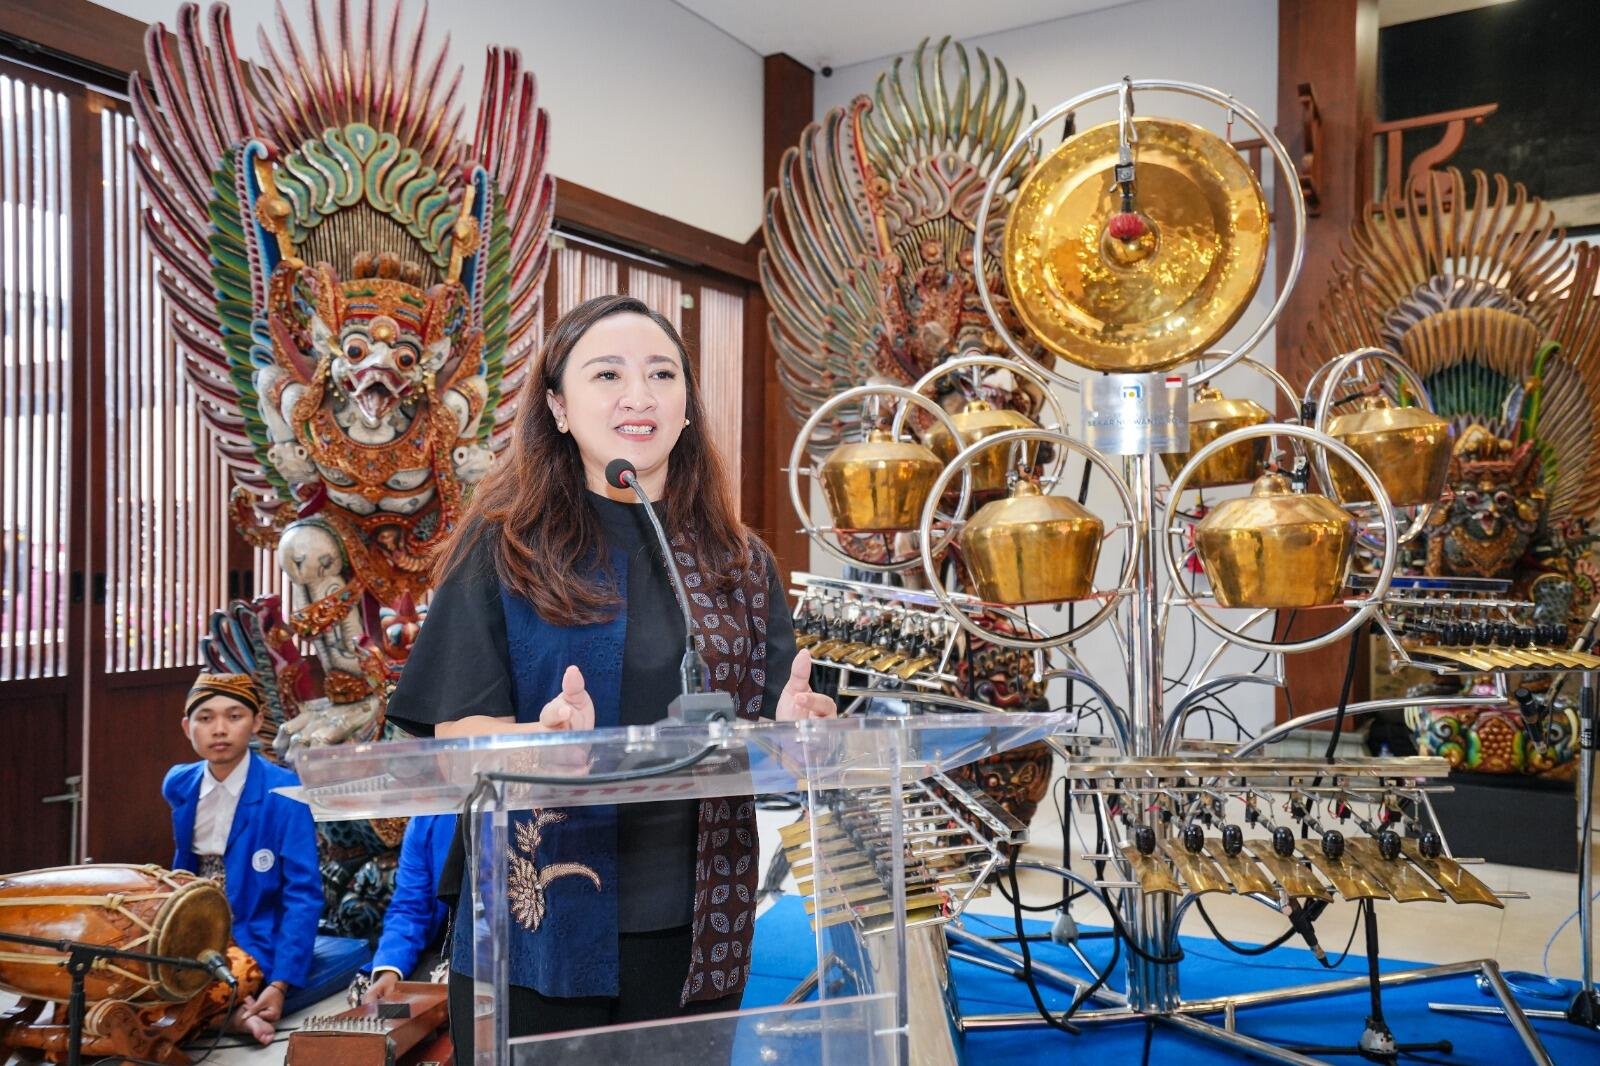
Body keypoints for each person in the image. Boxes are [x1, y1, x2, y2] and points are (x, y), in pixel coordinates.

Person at [384, 294, 834, 1053]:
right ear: (558, 406)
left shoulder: (739, 563)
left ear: (687, 406)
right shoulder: (505, 549)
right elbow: (455, 728)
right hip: (537, 927)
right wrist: (540, 737)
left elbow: (771, 735)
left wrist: (795, 728)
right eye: (607, 374)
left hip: (697, 925)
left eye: (662, 373)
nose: (639, 395)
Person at [164, 673, 323, 1044]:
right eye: (205, 718)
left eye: (234, 716)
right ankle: (233, 1019)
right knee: (121, 975)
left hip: (253, 933)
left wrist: (281, 984)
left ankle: (231, 1015)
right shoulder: (179, 783)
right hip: (189, 922)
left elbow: (303, 896)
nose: (219, 729)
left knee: (197, 985)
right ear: (188, 727)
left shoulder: (286, 793)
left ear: (255, 720)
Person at [358, 813, 456, 1003]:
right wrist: (389, 969)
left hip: (491, 951)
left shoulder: (508, 813)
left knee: (450, 988)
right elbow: (409, 906)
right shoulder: (425, 820)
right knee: (365, 987)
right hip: (441, 946)